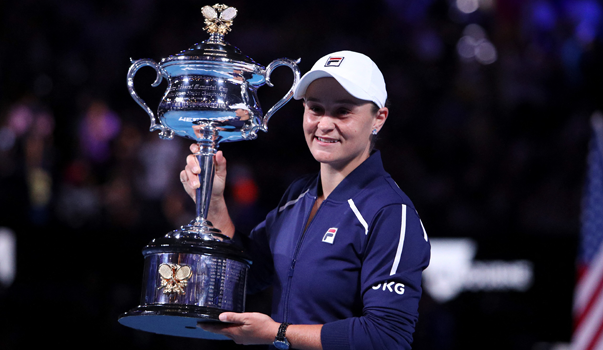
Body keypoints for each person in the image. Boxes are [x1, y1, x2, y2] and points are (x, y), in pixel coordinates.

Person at [180, 50, 431, 350]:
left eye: (342, 111)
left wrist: (277, 333)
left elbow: (386, 336)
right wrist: (215, 201)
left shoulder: (390, 213)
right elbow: (250, 272)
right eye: (315, 108)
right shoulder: (297, 195)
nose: (324, 124)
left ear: (379, 118)